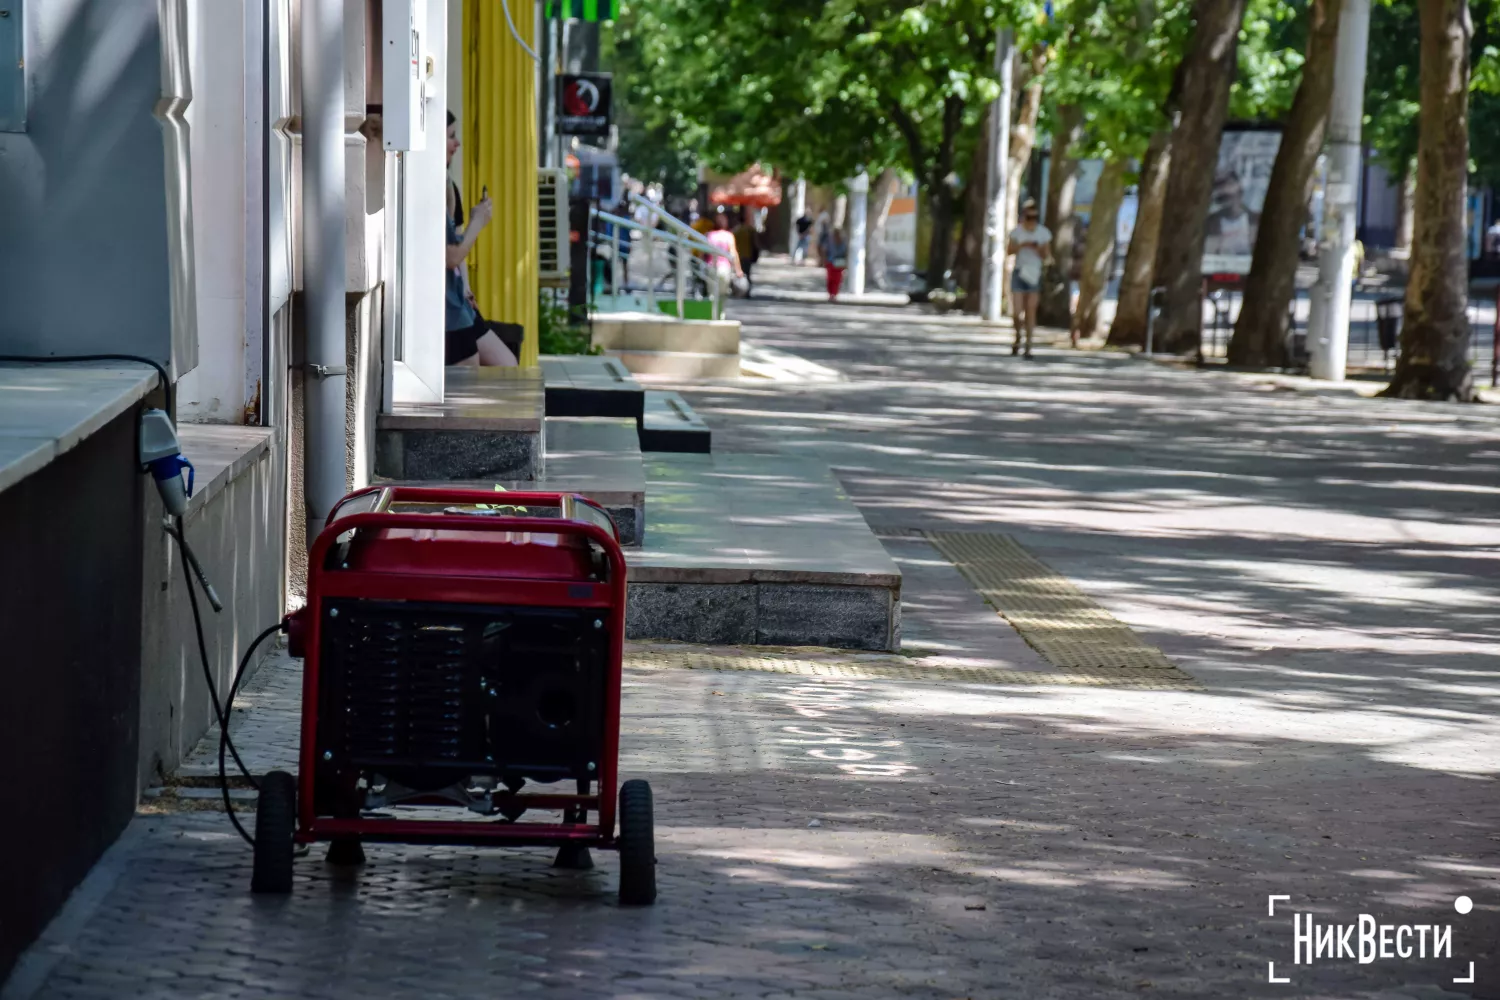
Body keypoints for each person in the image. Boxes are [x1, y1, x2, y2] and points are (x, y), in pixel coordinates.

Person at [444, 111, 519, 366]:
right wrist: (478, 222)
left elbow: (455, 243)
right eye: (451, 136)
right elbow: (452, 254)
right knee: (467, 383)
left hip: (457, 302)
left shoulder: (448, 185)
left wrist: (465, 287)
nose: (458, 144)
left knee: (506, 366)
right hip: (444, 308)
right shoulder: (427, 186)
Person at [1006, 201, 1051, 358]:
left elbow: (1047, 255)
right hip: (1019, 272)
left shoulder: (1043, 233)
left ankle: (1029, 345)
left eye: (1035, 217)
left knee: (1031, 311)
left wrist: (1037, 248)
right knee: (1017, 311)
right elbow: (1009, 251)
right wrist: (1022, 245)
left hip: (1034, 273)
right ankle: (1018, 336)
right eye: (1029, 217)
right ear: (1024, 217)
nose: (1032, 220)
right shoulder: (1016, 232)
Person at [1203, 170, 1260, 257]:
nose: (1225, 190)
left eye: (1229, 184)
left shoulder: (1255, 220)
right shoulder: (1210, 222)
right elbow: (1209, 254)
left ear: (1239, 187)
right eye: (1219, 186)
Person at [704, 213, 744, 300]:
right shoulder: (729, 236)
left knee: (712, 294)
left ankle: (712, 312)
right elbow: (733, 254)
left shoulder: (709, 235)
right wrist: (738, 270)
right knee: (722, 295)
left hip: (711, 267)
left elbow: (702, 252)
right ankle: (720, 312)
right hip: (724, 268)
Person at [817, 218, 848, 301]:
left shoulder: (843, 241)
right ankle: (831, 294)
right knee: (831, 279)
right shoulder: (830, 240)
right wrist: (823, 259)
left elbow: (845, 252)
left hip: (837, 263)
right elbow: (824, 250)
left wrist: (846, 262)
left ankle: (834, 295)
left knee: (836, 280)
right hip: (832, 262)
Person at [733, 210, 760, 297]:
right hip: (747, 255)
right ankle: (747, 292)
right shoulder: (750, 230)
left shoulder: (735, 231)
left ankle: (739, 291)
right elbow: (755, 243)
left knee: (739, 274)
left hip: (738, 255)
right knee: (747, 274)